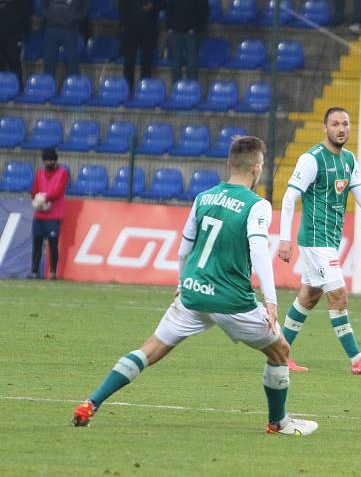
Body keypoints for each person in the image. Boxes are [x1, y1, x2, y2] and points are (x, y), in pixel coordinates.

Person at [71, 136, 317, 436]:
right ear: (257, 167)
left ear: (229, 164)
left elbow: (185, 247)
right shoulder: (258, 206)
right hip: (232, 302)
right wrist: (271, 300)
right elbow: (259, 251)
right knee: (280, 350)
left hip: (193, 294)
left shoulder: (204, 197)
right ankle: (278, 423)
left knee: (150, 349)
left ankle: (91, 403)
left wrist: (181, 281)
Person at [278, 107, 361, 373]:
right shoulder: (312, 160)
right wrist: (283, 239)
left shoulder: (349, 160)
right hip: (315, 239)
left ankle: (279, 353)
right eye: (335, 124)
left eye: (345, 124)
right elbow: (289, 198)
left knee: (309, 297)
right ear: (325, 127)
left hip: (329, 240)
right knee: (339, 294)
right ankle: (357, 360)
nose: (341, 129)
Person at [29, 148, 68, 280]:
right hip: (40, 214)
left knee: (53, 243)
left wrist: (45, 198)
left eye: (51, 160)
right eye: (46, 161)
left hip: (54, 214)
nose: (49, 163)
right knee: (37, 242)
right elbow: (34, 190)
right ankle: (34, 271)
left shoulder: (62, 173)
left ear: (55, 161)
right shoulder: (40, 173)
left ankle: (52, 272)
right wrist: (37, 198)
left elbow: (58, 191)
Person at [118, 0, 165, 89]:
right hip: (131, 31)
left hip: (149, 31)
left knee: (147, 62)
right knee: (129, 62)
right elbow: (122, 5)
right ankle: (127, 90)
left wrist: (153, 5)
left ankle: (144, 89)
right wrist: (125, 23)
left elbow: (163, 3)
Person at [42, 0, 89, 78]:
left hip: (70, 30)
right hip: (52, 29)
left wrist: (74, 18)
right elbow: (43, 5)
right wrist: (51, 16)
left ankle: (74, 89)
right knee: (49, 63)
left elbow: (86, 8)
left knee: (72, 63)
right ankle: (46, 89)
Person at [166, 0, 208, 84]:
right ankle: (177, 90)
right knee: (175, 65)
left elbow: (204, 11)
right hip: (175, 32)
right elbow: (169, 9)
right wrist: (170, 27)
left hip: (192, 34)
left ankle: (192, 90)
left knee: (191, 64)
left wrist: (195, 28)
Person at [0, 0, 35, 85]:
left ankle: (18, 89)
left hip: (14, 33)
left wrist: (15, 24)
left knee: (14, 62)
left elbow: (28, 9)